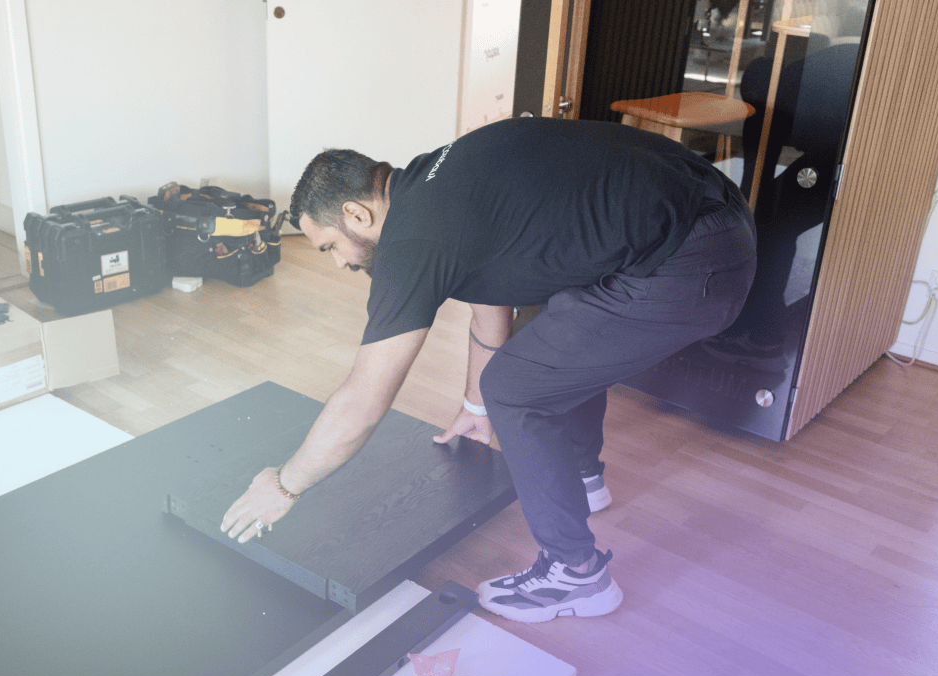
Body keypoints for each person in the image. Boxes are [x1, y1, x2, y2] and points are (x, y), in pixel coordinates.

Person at [220, 116, 756, 623]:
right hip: (712, 211)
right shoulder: (436, 179)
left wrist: (285, 485)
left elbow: (365, 398)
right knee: (548, 334)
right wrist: (475, 408)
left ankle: (578, 575)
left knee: (518, 390)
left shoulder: (413, 241)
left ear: (358, 215)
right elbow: (492, 298)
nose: (340, 262)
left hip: (692, 265)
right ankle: (583, 477)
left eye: (330, 246)